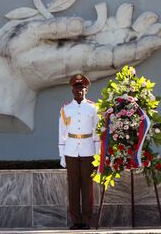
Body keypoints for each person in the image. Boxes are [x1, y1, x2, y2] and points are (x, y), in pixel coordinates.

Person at [58, 74, 100, 230]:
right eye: (76, 88)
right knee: (73, 186)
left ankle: (87, 220)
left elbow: (97, 132)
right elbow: (62, 132)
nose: (79, 90)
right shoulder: (66, 108)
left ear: (86, 90)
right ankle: (76, 220)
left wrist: (98, 153)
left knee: (87, 186)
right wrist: (61, 154)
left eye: (82, 88)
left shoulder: (93, 108)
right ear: (72, 90)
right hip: (71, 149)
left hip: (88, 148)